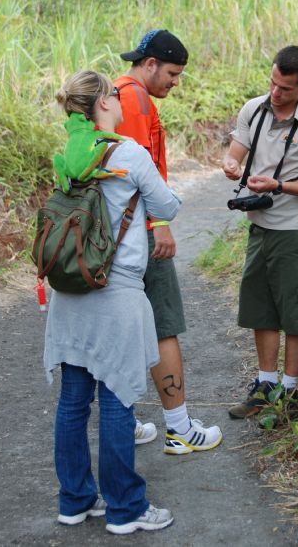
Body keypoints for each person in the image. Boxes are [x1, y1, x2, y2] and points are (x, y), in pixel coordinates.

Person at [44, 70, 180, 534]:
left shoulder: (68, 156)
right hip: (115, 290)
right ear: (102, 103)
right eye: (115, 98)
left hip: (71, 290)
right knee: (118, 400)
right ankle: (125, 508)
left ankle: (76, 499)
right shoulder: (129, 154)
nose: (121, 104)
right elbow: (168, 206)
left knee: (74, 400)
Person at [115, 29, 222, 455]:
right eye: (173, 73)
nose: (176, 82)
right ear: (150, 64)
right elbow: (138, 173)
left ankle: (121, 423)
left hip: (114, 234)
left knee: (121, 327)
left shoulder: (110, 94)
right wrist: (160, 222)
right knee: (164, 326)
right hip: (139, 233)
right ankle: (179, 427)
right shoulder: (136, 100)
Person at [222, 46, 298, 418]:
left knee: (296, 311)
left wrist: (279, 185)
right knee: (261, 308)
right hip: (260, 228)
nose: (275, 92)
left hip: (295, 229)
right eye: (272, 82)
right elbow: (239, 145)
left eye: (285, 88)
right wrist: (231, 161)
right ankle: (265, 386)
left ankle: (289, 392)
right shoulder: (254, 108)